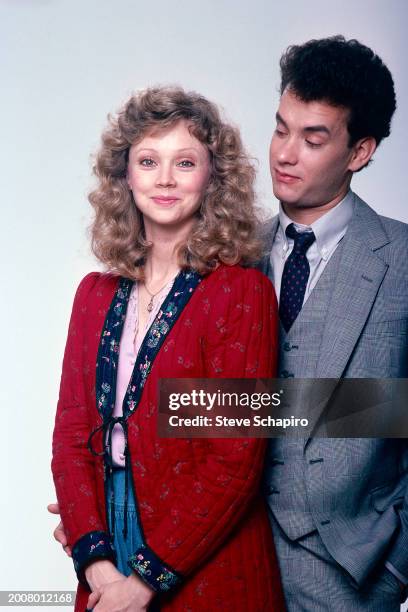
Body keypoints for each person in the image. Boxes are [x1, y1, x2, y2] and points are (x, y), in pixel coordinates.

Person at [51, 86, 285, 612]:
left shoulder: (238, 291)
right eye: (148, 161)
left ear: (212, 178)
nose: (164, 178)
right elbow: (70, 436)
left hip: (205, 553)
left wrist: (142, 582)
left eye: (185, 162)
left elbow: (235, 459)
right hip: (106, 540)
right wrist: (97, 564)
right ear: (125, 176)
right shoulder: (94, 294)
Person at [260, 36, 408, 610]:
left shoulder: (399, 259)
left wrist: (397, 564)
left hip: (354, 574)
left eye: (312, 138)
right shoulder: (226, 253)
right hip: (228, 559)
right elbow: (189, 407)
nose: (284, 153)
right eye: (280, 128)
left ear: (359, 151)